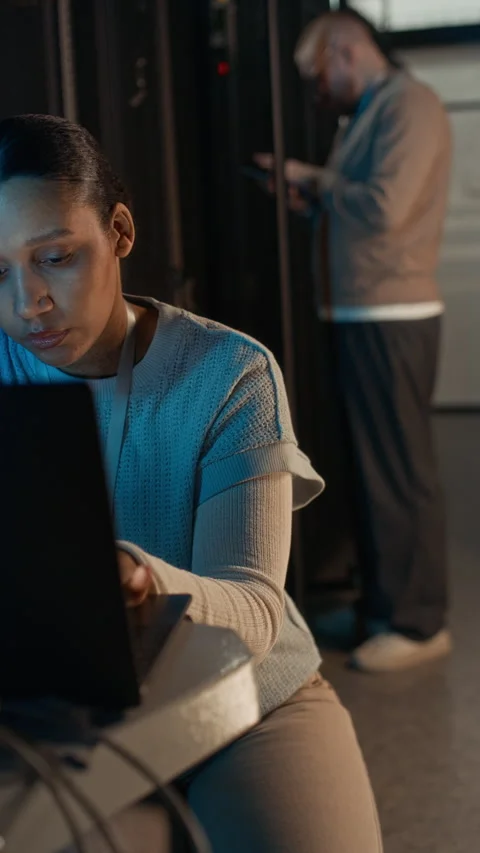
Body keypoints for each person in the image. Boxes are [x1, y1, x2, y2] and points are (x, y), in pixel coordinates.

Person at [0, 114, 382, 852]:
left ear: (119, 230)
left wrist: (137, 576)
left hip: (240, 698)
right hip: (54, 712)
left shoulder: (228, 374)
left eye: (56, 257)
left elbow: (253, 606)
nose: (27, 303)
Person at [256, 10, 452, 673]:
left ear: (346, 49)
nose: (320, 90)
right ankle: (381, 604)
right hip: (362, 311)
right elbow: (360, 203)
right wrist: (315, 198)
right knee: (373, 472)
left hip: (391, 313)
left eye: (318, 74)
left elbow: (387, 205)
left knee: (398, 472)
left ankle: (418, 621)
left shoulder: (411, 105)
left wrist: (314, 177)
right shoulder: (373, 109)